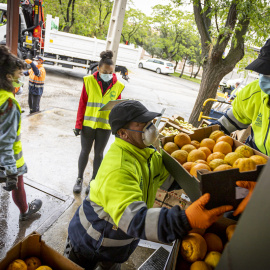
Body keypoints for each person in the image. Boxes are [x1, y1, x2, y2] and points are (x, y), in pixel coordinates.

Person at [64, 100, 233, 270]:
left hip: (116, 245)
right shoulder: (118, 168)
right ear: (123, 133)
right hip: (88, 242)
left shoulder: (147, 154)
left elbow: (167, 179)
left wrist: (206, 182)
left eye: (150, 122)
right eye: (142, 124)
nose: (151, 128)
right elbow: (135, 220)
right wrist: (185, 219)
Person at [73, 50, 125, 195]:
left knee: (99, 154)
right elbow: (82, 104)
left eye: (111, 71)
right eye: (105, 71)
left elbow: (117, 108)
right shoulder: (89, 81)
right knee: (84, 152)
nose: (108, 74)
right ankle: (79, 179)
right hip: (88, 125)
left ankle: (93, 181)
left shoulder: (118, 86)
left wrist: (117, 127)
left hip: (105, 126)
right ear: (98, 69)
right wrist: (78, 125)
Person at [0, 45, 42, 221]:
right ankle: (25, 212)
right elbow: (5, 142)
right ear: (9, 77)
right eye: (18, 75)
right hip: (10, 161)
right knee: (18, 185)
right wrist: (11, 172)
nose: (21, 78)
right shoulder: (9, 103)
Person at [211, 38, 270, 156]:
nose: (265, 77)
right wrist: (205, 136)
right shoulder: (253, 92)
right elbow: (226, 123)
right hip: (254, 158)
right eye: (264, 72)